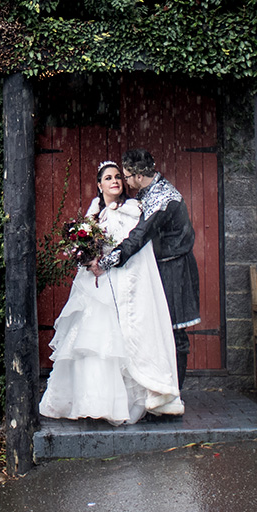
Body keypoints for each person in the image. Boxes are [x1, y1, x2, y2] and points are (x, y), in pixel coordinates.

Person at [37, 160, 184, 423]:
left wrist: (105, 261)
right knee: (89, 344)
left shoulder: (132, 209)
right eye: (108, 177)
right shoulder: (94, 214)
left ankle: (122, 402)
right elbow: (88, 245)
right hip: (93, 284)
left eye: (118, 177)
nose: (115, 181)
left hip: (118, 280)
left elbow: (131, 244)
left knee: (116, 341)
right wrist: (87, 256)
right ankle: (89, 400)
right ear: (99, 184)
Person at [103, 148, 199, 411]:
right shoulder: (150, 191)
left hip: (175, 269)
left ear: (137, 176)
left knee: (175, 332)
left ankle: (174, 394)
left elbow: (140, 235)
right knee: (159, 330)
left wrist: (110, 259)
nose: (124, 182)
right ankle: (161, 389)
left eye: (126, 176)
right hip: (162, 268)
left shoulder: (162, 199)